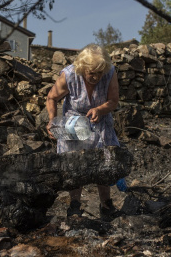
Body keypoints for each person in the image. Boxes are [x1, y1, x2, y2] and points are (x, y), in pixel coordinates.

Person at [46, 44, 121, 220]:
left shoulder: (109, 73)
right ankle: (74, 205)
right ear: (83, 68)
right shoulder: (70, 75)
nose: (96, 77)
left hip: (99, 122)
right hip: (74, 123)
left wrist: (100, 109)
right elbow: (51, 97)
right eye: (91, 73)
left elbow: (113, 101)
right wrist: (52, 121)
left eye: (99, 73)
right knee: (74, 165)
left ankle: (106, 205)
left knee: (104, 164)